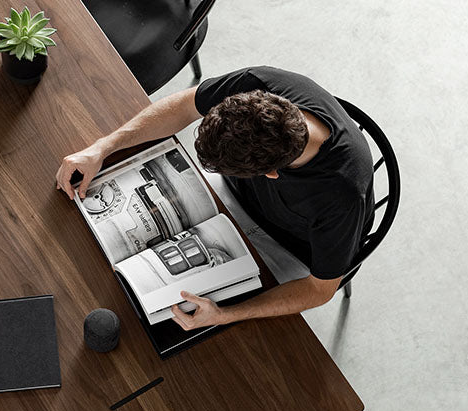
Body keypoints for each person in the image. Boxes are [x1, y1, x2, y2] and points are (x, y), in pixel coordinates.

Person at [56, 66, 373, 330]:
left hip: (291, 247)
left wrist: (225, 316)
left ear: (272, 174)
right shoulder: (258, 87)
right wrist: (102, 147)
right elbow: (184, 106)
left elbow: (319, 290)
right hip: (236, 197)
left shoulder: (342, 196)